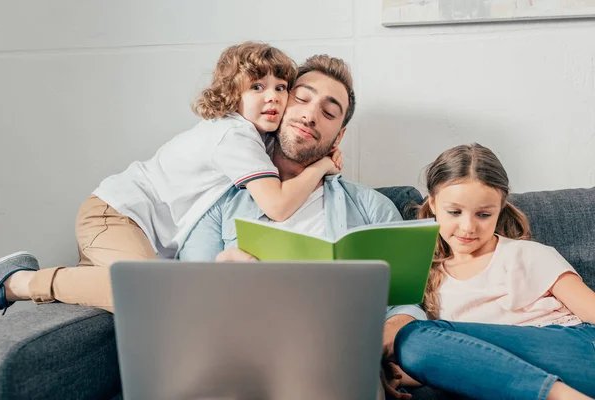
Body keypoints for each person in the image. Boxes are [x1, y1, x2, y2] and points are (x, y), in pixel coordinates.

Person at [0, 42, 342, 314]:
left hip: (135, 230)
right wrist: (321, 166)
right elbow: (278, 205)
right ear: (232, 96)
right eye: (257, 86)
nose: (273, 96)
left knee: (155, 297)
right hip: (116, 214)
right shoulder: (233, 137)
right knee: (154, 295)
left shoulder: (256, 138)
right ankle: (17, 281)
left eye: (282, 87)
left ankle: (90, 274)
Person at [178, 54, 424, 400]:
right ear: (277, 105)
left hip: (337, 356)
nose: (310, 115)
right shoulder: (218, 204)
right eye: (302, 98)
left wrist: (387, 333)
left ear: (340, 134)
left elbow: (406, 302)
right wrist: (222, 277)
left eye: (329, 111)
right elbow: (187, 299)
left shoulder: (373, 208)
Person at [382, 143, 595, 399]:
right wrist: (389, 373)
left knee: (412, 335)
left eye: (483, 214)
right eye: (455, 212)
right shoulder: (427, 278)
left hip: (575, 352)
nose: (468, 226)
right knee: (411, 342)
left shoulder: (525, 254)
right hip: (510, 378)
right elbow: (455, 359)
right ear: (434, 204)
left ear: (500, 209)